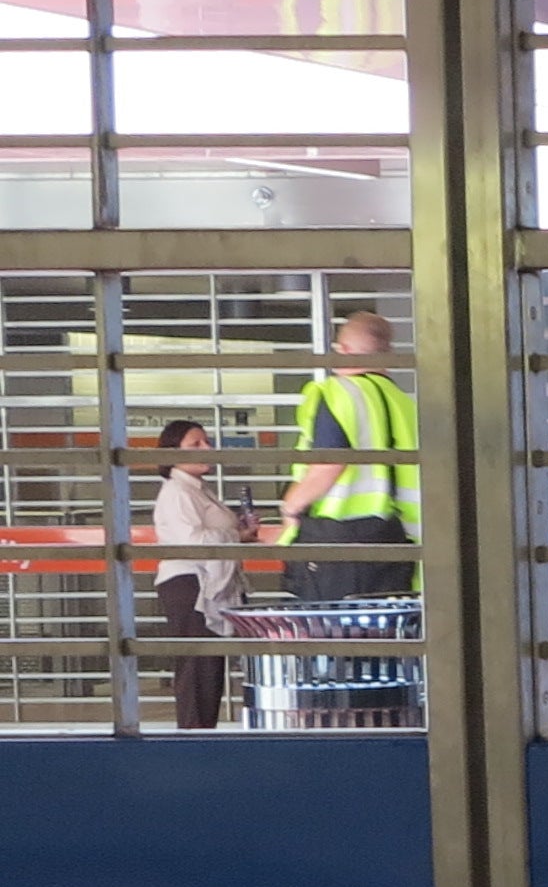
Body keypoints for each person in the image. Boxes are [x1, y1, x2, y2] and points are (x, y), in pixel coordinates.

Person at [271, 309, 419, 605]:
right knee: (387, 639)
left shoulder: (337, 393)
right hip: (397, 540)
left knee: (333, 639)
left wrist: (290, 507)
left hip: (338, 542)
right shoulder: (406, 404)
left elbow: (329, 464)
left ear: (346, 351)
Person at [144, 418, 251, 731]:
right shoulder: (177, 491)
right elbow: (192, 542)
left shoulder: (198, 489)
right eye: (196, 444)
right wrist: (235, 537)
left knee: (207, 670)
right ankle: (193, 738)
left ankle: (202, 734)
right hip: (190, 585)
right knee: (196, 670)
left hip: (203, 583)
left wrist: (238, 533)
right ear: (173, 453)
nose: (207, 448)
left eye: (206, 441)